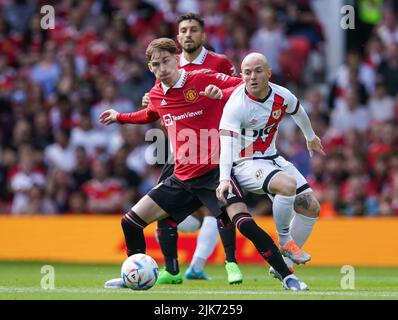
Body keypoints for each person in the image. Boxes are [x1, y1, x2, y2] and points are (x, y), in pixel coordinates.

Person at [100, 38, 308, 291]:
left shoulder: (202, 78)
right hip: (182, 178)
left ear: (177, 59)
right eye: (156, 65)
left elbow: (245, 84)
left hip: (214, 173)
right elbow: (150, 114)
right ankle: (132, 275)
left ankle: (287, 276)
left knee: (244, 223)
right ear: (151, 69)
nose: (162, 68)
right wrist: (119, 117)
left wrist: (221, 93)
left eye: (166, 61)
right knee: (130, 222)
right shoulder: (155, 94)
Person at [140, 13, 242, 284]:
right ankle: (173, 268)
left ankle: (212, 263)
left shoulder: (219, 62)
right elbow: (158, 106)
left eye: (193, 30)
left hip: (213, 148)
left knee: (218, 208)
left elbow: (236, 95)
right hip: (178, 152)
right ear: (177, 38)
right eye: (183, 30)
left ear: (203, 35)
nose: (188, 35)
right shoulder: (165, 62)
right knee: (166, 210)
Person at [216, 52, 325, 280]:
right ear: (242, 75)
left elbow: (298, 111)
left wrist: (310, 136)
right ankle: (284, 241)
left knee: (311, 207)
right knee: (287, 185)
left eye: (257, 71)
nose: (252, 77)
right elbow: (225, 145)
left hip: (271, 158)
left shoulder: (281, 95)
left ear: (268, 73)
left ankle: (280, 265)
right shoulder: (236, 105)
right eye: (247, 73)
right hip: (244, 163)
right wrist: (224, 178)